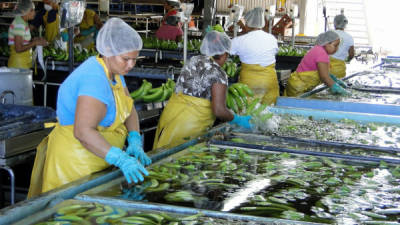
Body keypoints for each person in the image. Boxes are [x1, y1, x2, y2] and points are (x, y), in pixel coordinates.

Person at [28, 18, 151, 198]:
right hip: (76, 167)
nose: (131, 65)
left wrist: (134, 138)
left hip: (98, 162)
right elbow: (83, 132)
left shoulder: (115, 73)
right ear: (108, 51)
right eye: (126, 59)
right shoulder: (94, 79)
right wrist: (121, 159)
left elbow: (128, 108)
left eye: (134, 59)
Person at [153, 31, 252, 150]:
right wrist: (236, 119)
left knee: (162, 157)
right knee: (180, 160)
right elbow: (219, 110)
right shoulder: (218, 74)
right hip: (189, 124)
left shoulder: (193, 60)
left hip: (171, 114)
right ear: (224, 54)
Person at [230, 7, 279, 105]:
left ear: (247, 24)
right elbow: (274, 52)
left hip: (250, 82)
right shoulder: (272, 38)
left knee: (249, 110)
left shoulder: (239, 40)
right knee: (269, 111)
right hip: (269, 80)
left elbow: (228, 52)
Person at [285, 30, 349, 97]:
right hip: (299, 87)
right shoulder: (322, 54)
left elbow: (322, 71)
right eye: (335, 46)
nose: (337, 49)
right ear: (326, 43)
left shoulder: (318, 49)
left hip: (298, 84)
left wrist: (333, 79)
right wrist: (337, 87)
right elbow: (324, 77)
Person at [8, 0, 47, 69]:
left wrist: (33, 40)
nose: (34, 13)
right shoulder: (19, 24)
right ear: (24, 11)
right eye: (32, 10)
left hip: (22, 63)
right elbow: (18, 49)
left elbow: (21, 40)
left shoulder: (22, 22)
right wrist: (34, 43)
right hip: (18, 65)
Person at [330, 14, 354, 79]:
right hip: (339, 70)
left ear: (334, 23)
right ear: (345, 24)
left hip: (326, 68)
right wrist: (348, 59)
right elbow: (351, 54)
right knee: (338, 87)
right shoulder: (349, 37)